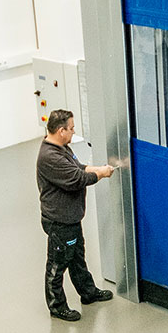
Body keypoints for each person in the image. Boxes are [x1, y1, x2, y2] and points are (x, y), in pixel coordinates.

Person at [36, 109, 115, 322]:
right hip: (59, 221)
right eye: (71, 128)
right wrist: (101, 174)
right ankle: (57, 306)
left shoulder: (62, 148)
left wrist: (98, 168)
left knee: (77, 258)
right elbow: (77, 179)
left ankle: (88, 292)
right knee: (57, 264)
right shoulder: (50, 156)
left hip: (70, 218)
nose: (73, 131)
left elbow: (78, 168)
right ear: (61, 130)